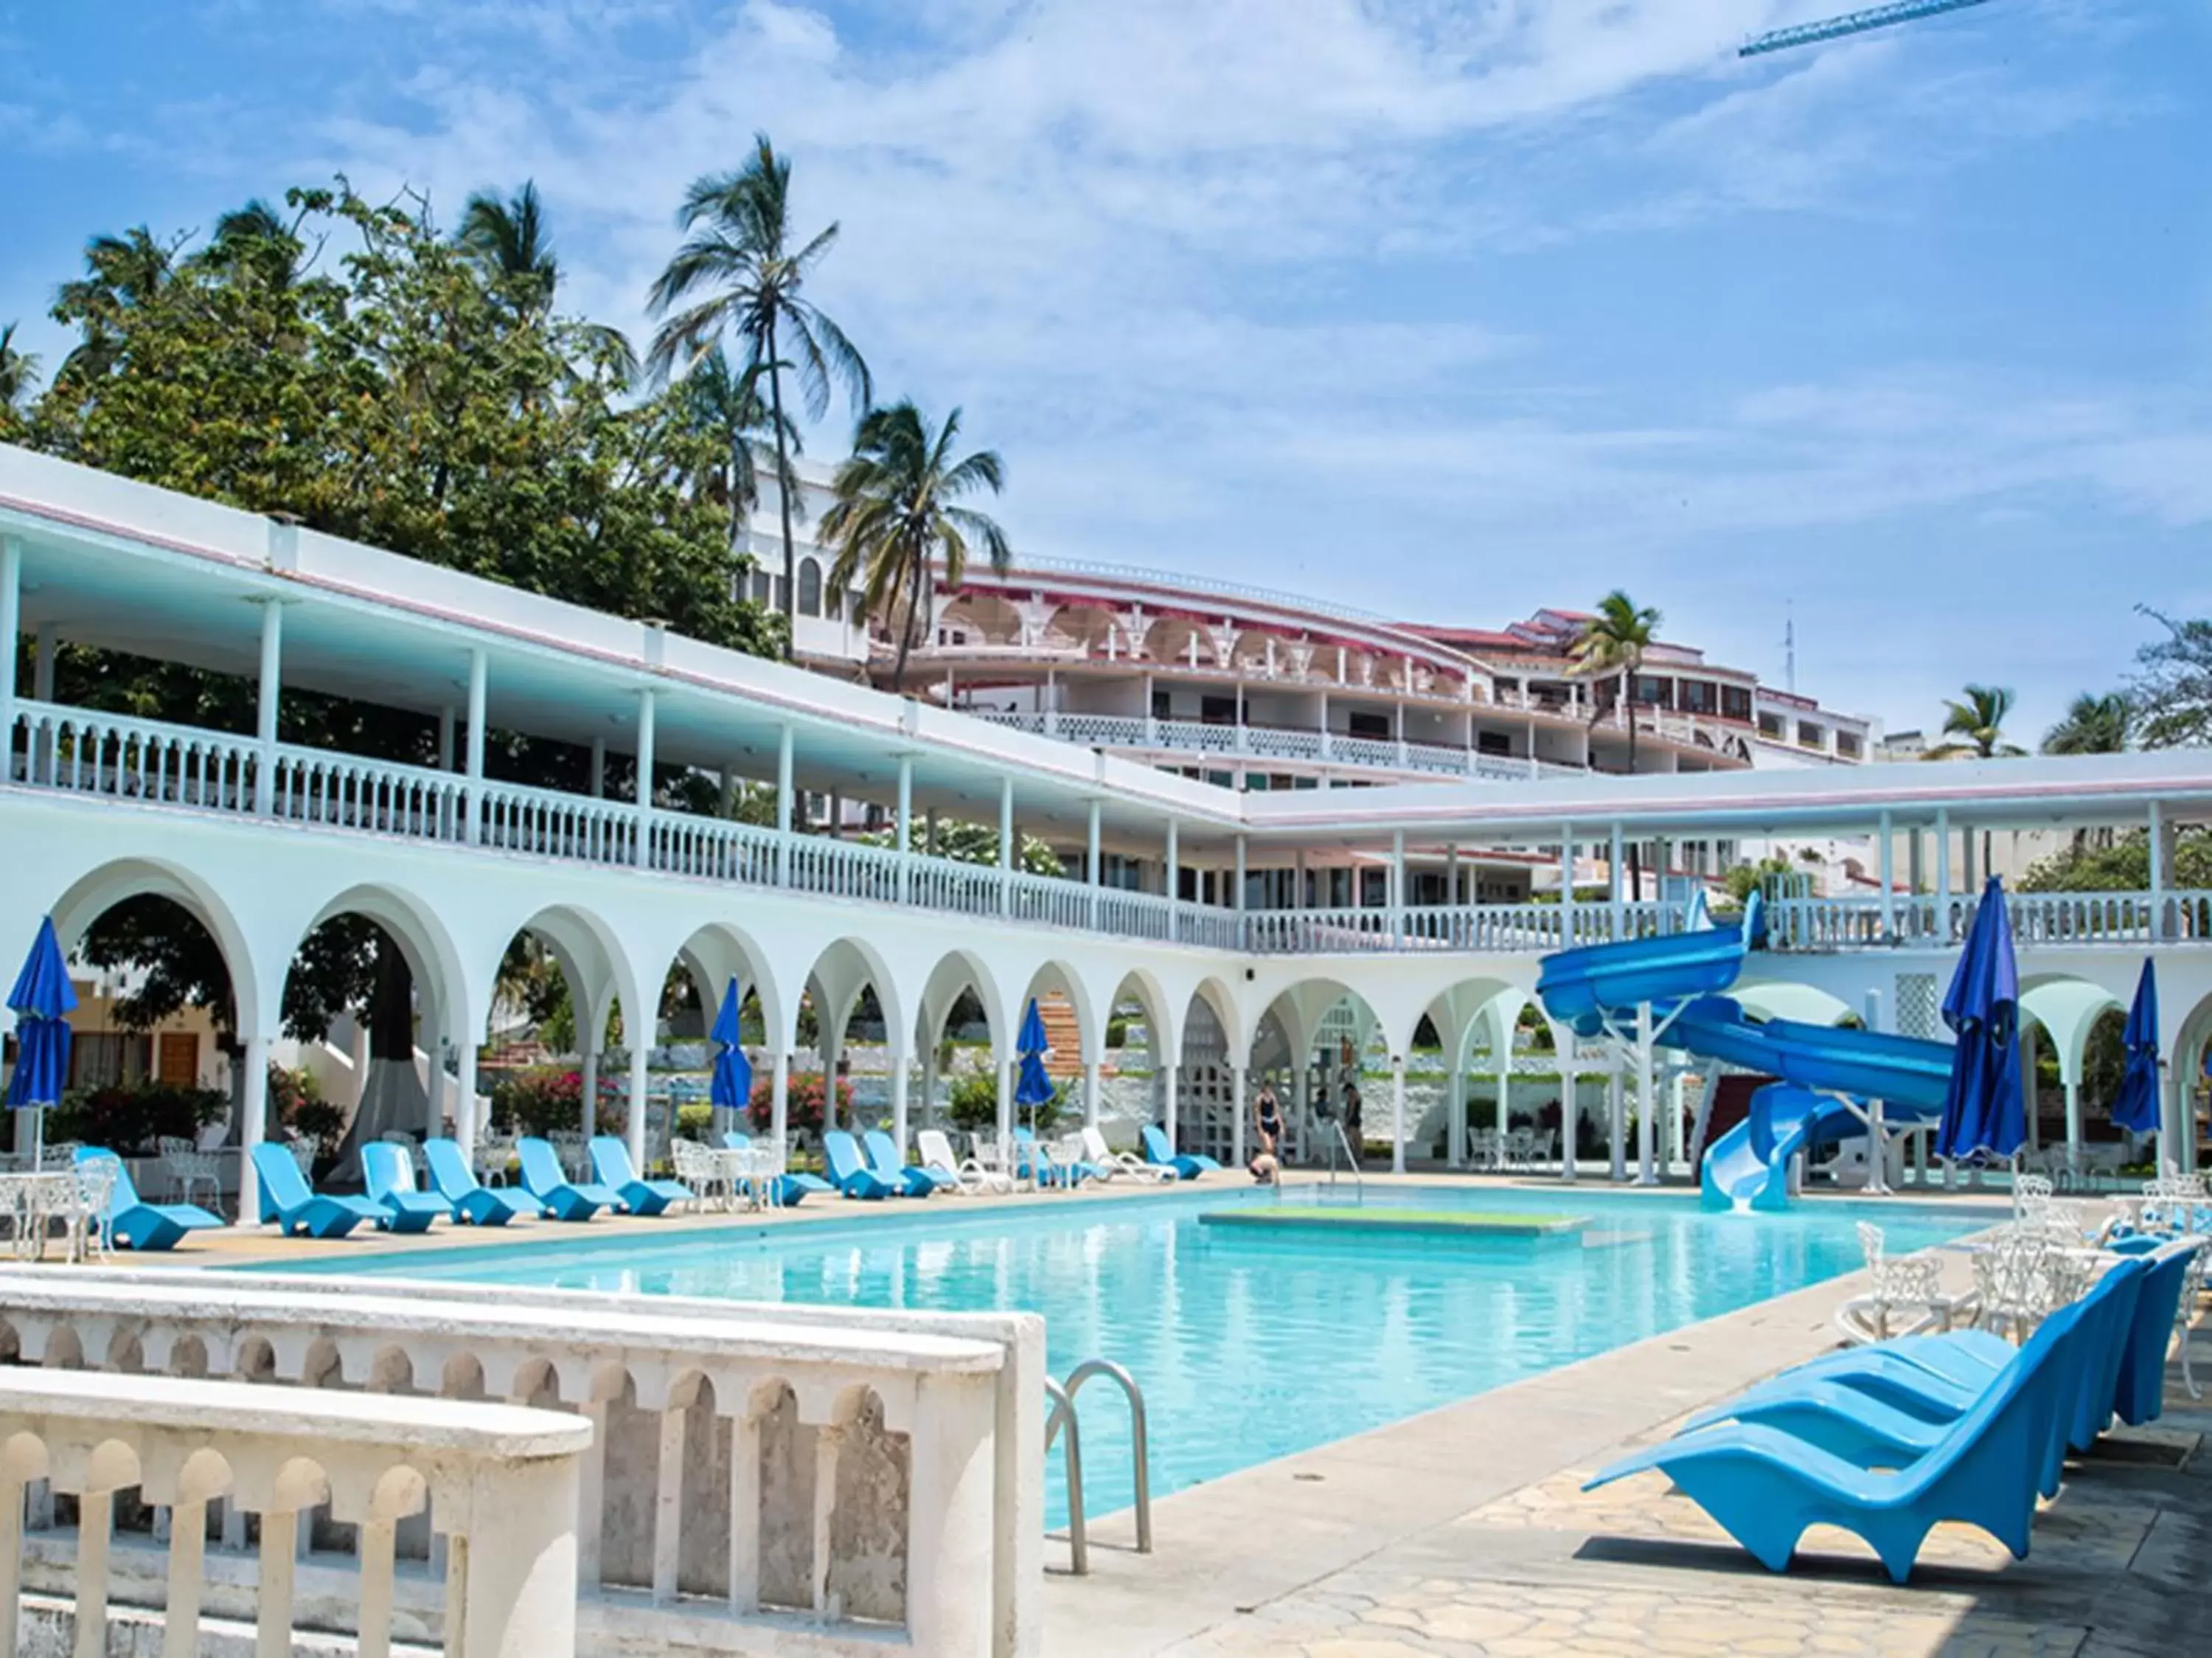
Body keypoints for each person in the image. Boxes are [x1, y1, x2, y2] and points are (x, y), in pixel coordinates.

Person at [1253, 1082, 1284, 1159]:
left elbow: (1276, 1112)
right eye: (1267, 1088)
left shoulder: (1273, 1098)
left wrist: (1281, 1126)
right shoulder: (1259, 1099)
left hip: (1273, 1122)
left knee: (1272, 1147)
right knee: (1268, 1145)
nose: (1268, 1090)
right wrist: (1259, 1127)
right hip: (1264, 1122)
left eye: (1269, 1088)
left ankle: (1267, 1162)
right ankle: (1262, 1161)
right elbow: (1258, 1114)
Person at [1341, 1081, 1363, 1167]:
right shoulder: (1357, 1095)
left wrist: (1347, 1120)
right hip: (1357, 1118)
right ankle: (1359, 1155)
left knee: (1353, 1139)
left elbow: (1351, 1109)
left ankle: (1356, 1156)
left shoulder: (1352, 1096)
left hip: (1353, 1119)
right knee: (1357, 1138)